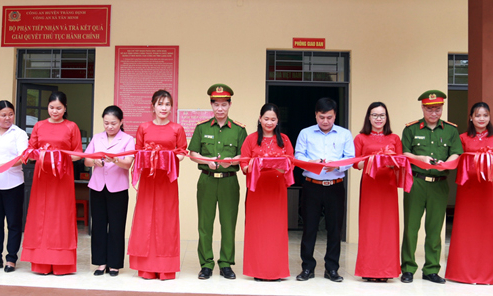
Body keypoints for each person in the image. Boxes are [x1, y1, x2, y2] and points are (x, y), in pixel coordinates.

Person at [400, 90, 462, 284]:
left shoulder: (451, 130)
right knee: (411, 228)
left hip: (439, 185)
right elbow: (404, 153)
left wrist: (446, 163)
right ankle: (408, 269)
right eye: (429, 109)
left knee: (435, 229)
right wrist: (420, 158)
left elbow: (457, 153)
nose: (433, 113)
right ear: (423, 108)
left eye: (437, 109)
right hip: (416, 182)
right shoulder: (411, 129)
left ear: (442, 108)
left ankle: (431, 270)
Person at [188, 83, 247, 280]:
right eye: (216, 104)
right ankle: (206, 264)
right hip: (207, 180)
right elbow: (193, 154)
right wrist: (207, 161)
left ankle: (225, 264)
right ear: (211, 105)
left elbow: (244, 155)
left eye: (224, 104)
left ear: (230, 105)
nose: (220, 109)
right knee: (205, 224)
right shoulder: (201, 128)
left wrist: (233, 160)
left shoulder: (239, 130)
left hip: (230, 181)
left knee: (228, 224)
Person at [21, 91, 83, 275]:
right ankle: (40, 262)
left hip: (62, 177)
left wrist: (58, 155)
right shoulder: (39, 126)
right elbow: (30, 150)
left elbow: (77, 154)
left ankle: (61, 263)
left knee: (61, 216)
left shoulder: (72, 127)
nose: (55, 111)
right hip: (43, 176)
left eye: (59, 108)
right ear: (48, 107)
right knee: (41, 215)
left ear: (65, 109)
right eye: (51, 108)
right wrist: (39, 154)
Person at [127, 90, 187, 280]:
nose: (164, 108)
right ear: (152, 106)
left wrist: (170, 156)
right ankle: (145, 267)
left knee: (166, 220)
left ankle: (165, 267)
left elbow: (182, 153)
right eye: (160, 104)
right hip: (148, 180)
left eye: (167, 104)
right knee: (146, 219)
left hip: (167, 181)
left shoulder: (177, 129)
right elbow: (137, 152)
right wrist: (150, 155)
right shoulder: (143, 127)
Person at [294, 97, 355, 282]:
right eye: (321, 117)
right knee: (309, 228)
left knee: (334, 229)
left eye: (329, 117)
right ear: (316, 115)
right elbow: (298, 155)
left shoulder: (344, 134)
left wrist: (337, 166)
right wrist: (310, 163)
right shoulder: (306, 133)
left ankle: (332, 269)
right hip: (312, 185)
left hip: (335, 187)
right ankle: (307, 268)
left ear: (335, 115)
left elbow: (350, 157)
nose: (325, 121)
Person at [240, 103, 294, 281]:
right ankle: (258, 270)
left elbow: (291, 163)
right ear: (259, 119)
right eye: (266, 119)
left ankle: (275, 270)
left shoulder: (284, 140)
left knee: (275, 231)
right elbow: (244, 165)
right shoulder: (251, 139)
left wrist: (280, 166)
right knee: (257, 230)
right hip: (258, 190)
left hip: (277, 191)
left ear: (278, 121)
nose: (269, 122)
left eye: (273, 119)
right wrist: (256, 164)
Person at [353, 102, 402, 282]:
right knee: (369, 227)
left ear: (386, 117)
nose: (378, 119)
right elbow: (355, 164)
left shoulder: (395, 138)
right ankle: (369, 270)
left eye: (382, 115)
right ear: (369, 117)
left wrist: (390, 162)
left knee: (388, 228)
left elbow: (400, 163)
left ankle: (387, 271)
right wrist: (373, 161)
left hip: (388, 187)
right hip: (370, 185)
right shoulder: (360, 138)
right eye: (375, 115)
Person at [84, 105, 135, 277]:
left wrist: (115, 160)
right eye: (106, 123)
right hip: (97, 186)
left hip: (118, 188)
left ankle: (114, 264)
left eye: (113, 123)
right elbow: (86, 160)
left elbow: (128, 163)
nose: (110, 126)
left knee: (116, 226)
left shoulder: (128, 139)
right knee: (98, 225)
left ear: (121, 122)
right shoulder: (97, 138)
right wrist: (95, 161)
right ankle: (100, 262)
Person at [446, 102, 493, 284]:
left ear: (489, 118)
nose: (482, 119)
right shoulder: (462, 138)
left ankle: (487, 273)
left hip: (488, 190)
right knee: (466, 229)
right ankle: (462, 272)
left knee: (487, 229)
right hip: (468, 190)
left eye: (485, 115)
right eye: (478, 115)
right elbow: (455, 158)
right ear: (471, 118)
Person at [0, 100, 28, 273]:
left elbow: (23, 157)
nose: (7, 118)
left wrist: (5, 165)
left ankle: (11, 258)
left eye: (11, 114)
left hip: (13, 185)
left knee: (14, 223)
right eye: (3, 115)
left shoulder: (19, 133)